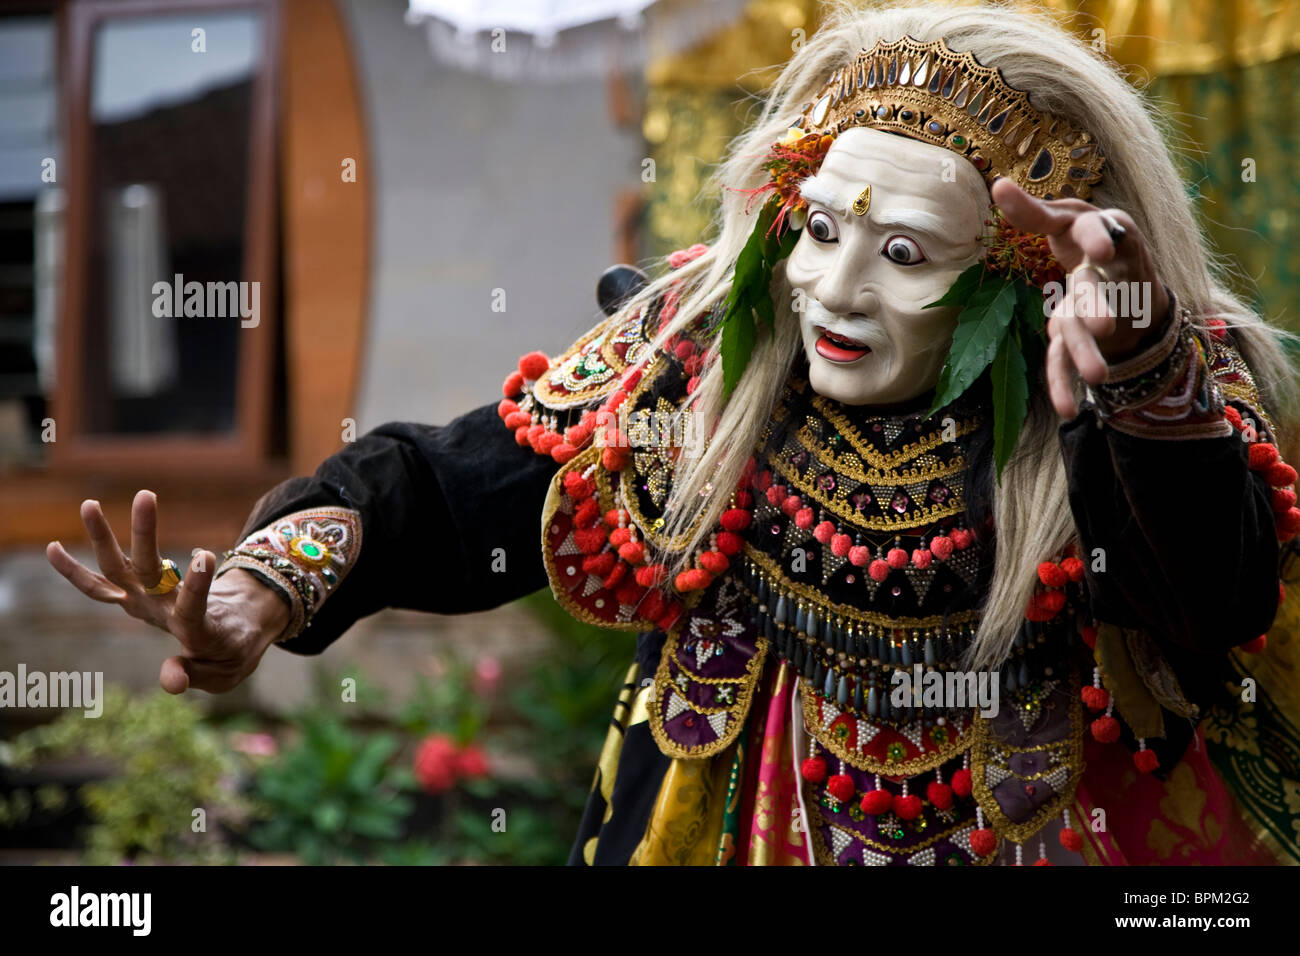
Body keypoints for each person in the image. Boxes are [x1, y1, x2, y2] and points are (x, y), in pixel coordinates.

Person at [46, 2, 1300, 866]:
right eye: (819, 227)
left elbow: (1212, 592)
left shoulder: (1141, 377)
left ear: (1018, 274)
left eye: (904, 252)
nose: (834, 289)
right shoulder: (703, 358)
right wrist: (268, 586)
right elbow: (458, 486)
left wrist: (1136, 373)